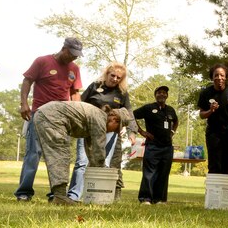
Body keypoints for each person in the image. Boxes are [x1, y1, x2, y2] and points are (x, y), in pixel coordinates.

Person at [14, 37, 84, 201]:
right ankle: (24, 192)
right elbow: (27, 81)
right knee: (33, 154)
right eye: (72, 54)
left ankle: (57, 194)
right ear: (64, 48)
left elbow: (75, 93)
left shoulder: (74, 68)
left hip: (62, 119)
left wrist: (77, 113)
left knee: (60, 156)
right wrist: (24, 104)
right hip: (39, 114)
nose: (74, 57)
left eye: (76, 55)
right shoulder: (42, 61)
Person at [33, 102, 121, 205]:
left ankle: (60, 196)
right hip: (51, 116)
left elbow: (91, 148)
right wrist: (101, 167)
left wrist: (95, 167)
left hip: (45, 113)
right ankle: (60, 196)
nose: (115, 132)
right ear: (114, 119)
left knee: (57, 154)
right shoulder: (100, 119)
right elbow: (99, 148)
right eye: (116, 129)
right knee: (59, 155)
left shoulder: (97, 117)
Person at [76, 62, 139, 200]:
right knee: (82, 161)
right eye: (113, 75)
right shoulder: (94, 86)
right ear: (107, 74)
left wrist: (132, 132)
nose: (115, 79)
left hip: (111, 132)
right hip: (89, 130)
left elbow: (128, 113)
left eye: (119, 77)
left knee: (112, 163)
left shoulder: (122, 93)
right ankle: (75, 195)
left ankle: (108, 195)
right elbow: (79, 105)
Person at [133, 85, 179, 205]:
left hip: (167, 147)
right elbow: (131, 116)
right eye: (159, 92)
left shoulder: (170, 110)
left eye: (164, 93)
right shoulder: (148, 108)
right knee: (149, 173)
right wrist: (142, 132)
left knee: (164, 173)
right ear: (155, 95)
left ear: (167, 96)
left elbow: (176, 121)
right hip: (153, 146)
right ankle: (145, 198)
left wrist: (172, 132)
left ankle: (159, 199)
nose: (162, 94)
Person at [198, 64, 228, 175]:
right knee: (214, 165)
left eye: (222, 75)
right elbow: (201, 114)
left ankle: (226, 192)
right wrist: (210, 111)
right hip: (213, 133)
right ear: (212, 77)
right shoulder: (206, 93)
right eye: (216, 75)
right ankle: (213, 192)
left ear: (226, 77)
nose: (219, 78)